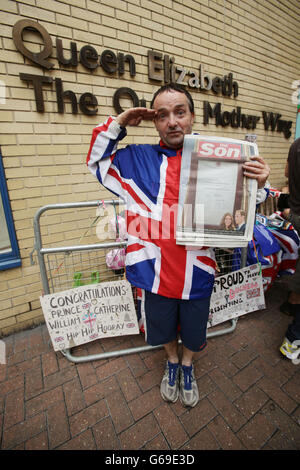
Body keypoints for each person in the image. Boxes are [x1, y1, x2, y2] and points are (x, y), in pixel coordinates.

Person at [86, 83, 270, 407]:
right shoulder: (135, 159)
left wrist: (260, 184)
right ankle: (172, 362)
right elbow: (97, 162)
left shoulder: (218, 160)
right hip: (153, 274)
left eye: (179, 112)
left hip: (197, 272)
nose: (172, 121)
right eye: (163, 115)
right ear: (155, 122)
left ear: (192, 117)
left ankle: (187, 365)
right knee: (163, 330)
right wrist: (120, 123)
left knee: (196, 334)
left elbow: (244, 209)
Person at [280, 138, 300, 361]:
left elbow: (287, 172)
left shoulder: (296, 145)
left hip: (294, 209)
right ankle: (293, 339)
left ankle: (292, 302)